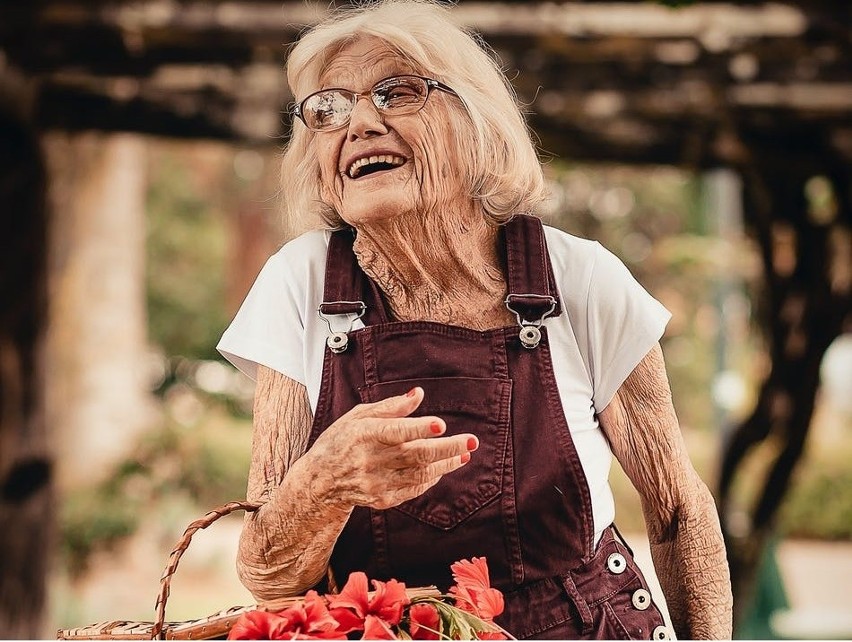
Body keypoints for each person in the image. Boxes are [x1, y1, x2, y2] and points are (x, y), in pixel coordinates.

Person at [217, 1, 733, 638]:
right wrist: (322, 484)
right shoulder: (300, 285)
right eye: (329, 108)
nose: (359, 124)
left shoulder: (580, 278)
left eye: (395, 91)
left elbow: (679, 509)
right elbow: (268, 577)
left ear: (475, 121)